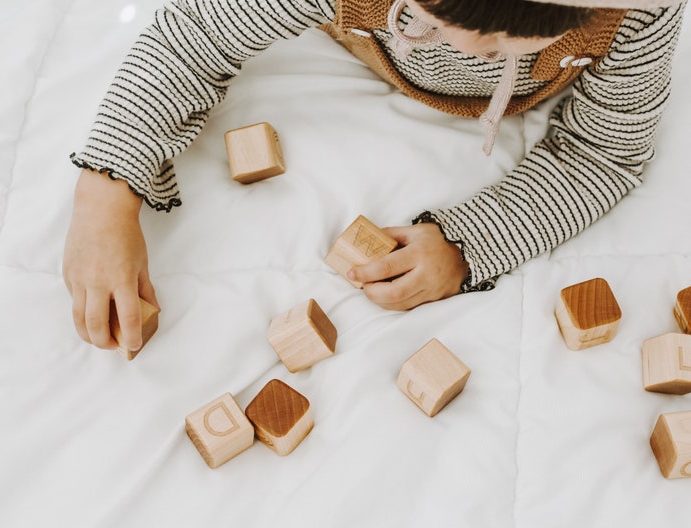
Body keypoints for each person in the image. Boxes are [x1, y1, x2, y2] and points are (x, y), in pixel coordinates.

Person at [63, 0, 686, 351]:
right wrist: (106, 190)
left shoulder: (637, 16)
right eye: (433, 22)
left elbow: (604, 154)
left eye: (501, 46)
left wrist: (471, 244)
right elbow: (192, 39)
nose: (468, 49)